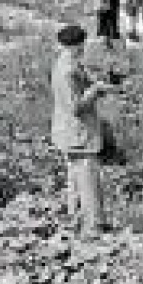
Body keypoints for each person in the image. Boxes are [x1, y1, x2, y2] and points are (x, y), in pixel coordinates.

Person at [49, 24, 111, 235]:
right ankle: (92, 227)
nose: (84, 49)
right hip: (78, 134)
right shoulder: (67, 70)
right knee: (88, 180)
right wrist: (95, 90)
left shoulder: (67, 64)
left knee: (75, 181)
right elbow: (75, 106)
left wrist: (93, 85)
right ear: (76, 45)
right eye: (82, 45)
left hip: (68, 132)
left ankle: (75, 221)